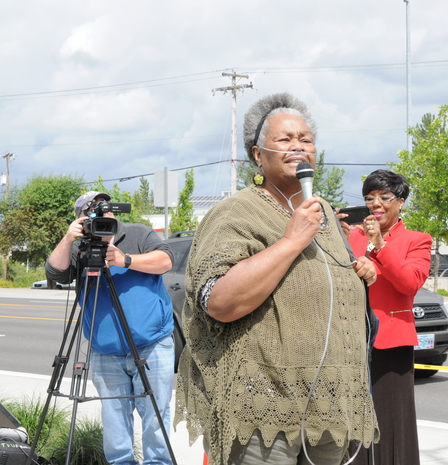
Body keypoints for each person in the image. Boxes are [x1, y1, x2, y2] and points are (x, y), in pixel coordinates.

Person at [174, 92, 378, 465]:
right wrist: (291, 240)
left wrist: (360, 272)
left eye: (306, 139)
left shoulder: (325, 213)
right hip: (263, 407)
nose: (298, 146)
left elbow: (329, 283)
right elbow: (219, 300)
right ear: (257, 155)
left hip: (328, 405)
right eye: (285, 139)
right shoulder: (235, 212)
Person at [45, 191, 175, 465]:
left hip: (152, 346)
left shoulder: (138, 233)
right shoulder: (79, 248)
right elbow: (56, 273)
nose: (104, 214)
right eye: (93, 211)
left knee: (155, 420)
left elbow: (167, 260)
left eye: (106, 208)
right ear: (82, 219)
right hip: (106, 352)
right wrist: (69, 238)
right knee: (115, 426)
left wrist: (124, 259)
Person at [338, 169, 432, 465]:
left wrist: (380, 244)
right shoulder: (352, 237)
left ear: (401, 202)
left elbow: (409, 283)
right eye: (369, 198)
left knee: (392, 421)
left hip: (391, 345)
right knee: (352, 423)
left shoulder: (417, 240)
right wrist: (334, 236)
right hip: (351, 343)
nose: (376, 204)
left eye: (384, 198)